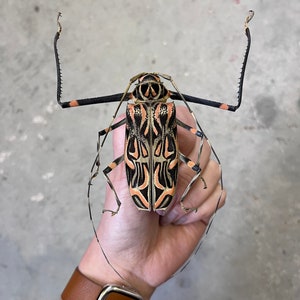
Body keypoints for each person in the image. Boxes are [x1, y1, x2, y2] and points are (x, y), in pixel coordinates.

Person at [61, 106, 226, 300]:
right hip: (159, 196)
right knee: (194, 165)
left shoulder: (134, 115)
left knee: (190, 164)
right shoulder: (156, 113)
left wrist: (121, 268)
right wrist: (125, 269)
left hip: (149, 196)